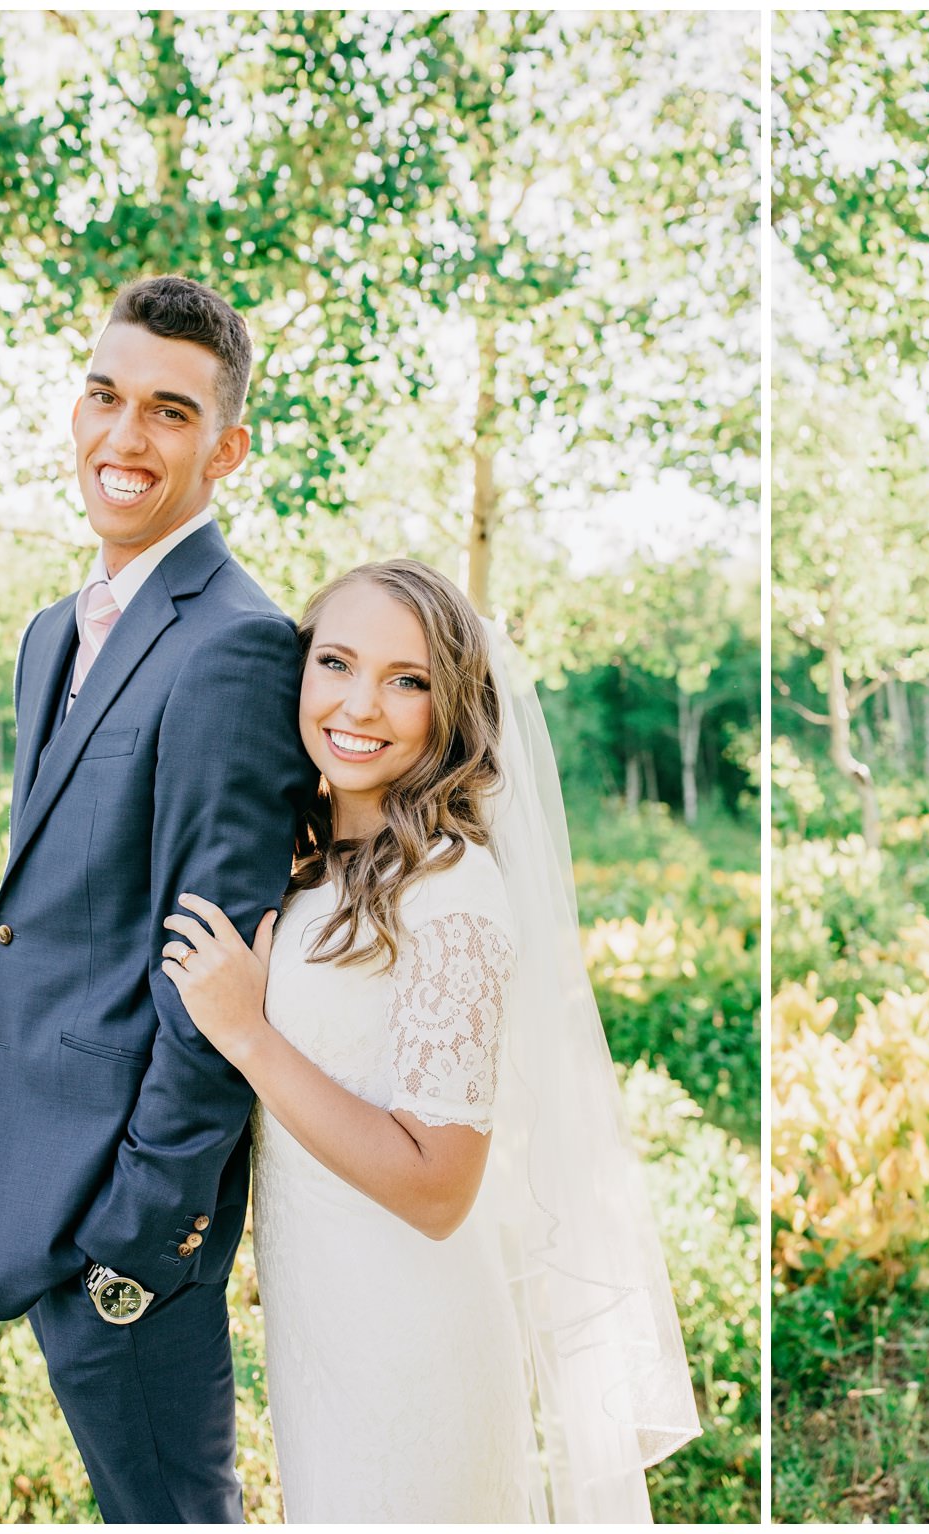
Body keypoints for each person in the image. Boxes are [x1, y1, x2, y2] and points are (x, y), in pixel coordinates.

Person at [160, 559, 702, 1521]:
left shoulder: (451, 895)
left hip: (408, 1335)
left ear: (450, 708)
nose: (359, 704)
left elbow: (438, 1187)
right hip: (320, 1321)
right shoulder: (321, 866)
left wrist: (248, 1033)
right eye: (335, 661)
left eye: (406, 680)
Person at [0, 275, 320, 1520]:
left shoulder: (235, 644)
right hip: (38, 1172)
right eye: (105, 396)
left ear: (227, 450)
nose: (123, 437)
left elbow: (214, 966)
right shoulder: (55, 631)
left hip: (126, 1222)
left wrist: (137, 1236)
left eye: (168, 412)